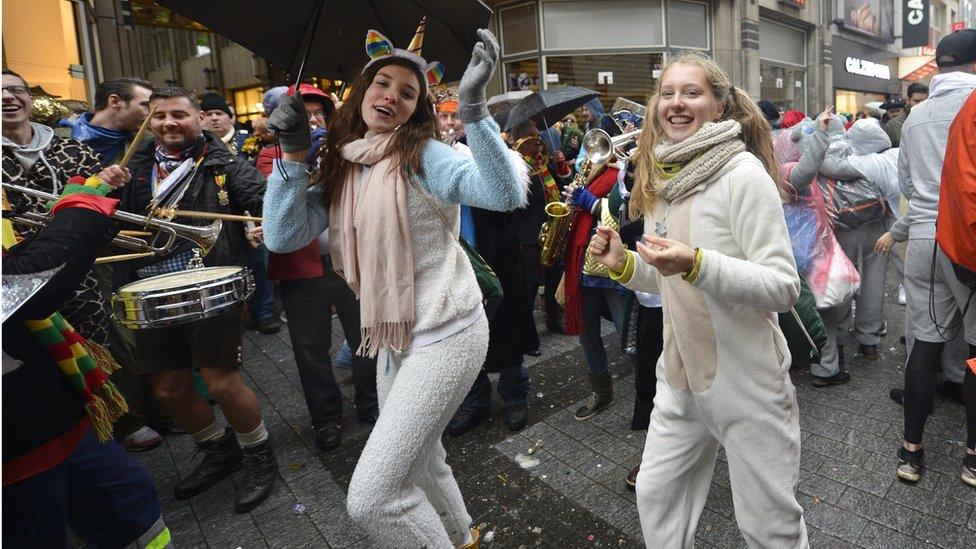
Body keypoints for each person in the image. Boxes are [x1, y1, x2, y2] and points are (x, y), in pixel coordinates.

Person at [263, 25, 524, 547]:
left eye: (409, 93)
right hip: (392, 334)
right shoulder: (345, 159)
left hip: (449, 331)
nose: (392, 97)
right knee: (424, 461)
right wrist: (291, 155)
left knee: (375, 498)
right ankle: (462, 537)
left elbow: (504, 192)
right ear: (363, 91)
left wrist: (474, 108)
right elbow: (283, 234)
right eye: (384, 83)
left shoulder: (426, 155)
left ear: (418, 108)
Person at [587, 51, 807, 546]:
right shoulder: (663, 179)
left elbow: (783, 286)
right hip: (680, 377)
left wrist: (697, 263)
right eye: (667, 93)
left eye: (692, 93)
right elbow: (667, 279)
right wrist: (625, 262)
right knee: (656, 494)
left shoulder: (743, 175)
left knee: (768, 525)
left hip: (747, 382)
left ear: (720, 105)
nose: (677, 103)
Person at [117, 87, 276, 513]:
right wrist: (102, 189)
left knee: (222, 382)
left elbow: (263, 202)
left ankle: (259, 454)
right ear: (150, 122)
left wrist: (260, 224)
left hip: (213, 283)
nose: (170, 123)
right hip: (151, 287)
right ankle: (218, 450)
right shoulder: (133, 165)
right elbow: (105, 216)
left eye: (180, 115)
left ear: (198, 119)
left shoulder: (223, 161)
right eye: (161, 116)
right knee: (168, 390)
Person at [3, 174, 171, 549]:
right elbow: (18, 287)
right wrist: (79, 210)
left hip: (53, 408)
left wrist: (54, 224)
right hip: (14, 443)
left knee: (132, 506)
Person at [255, 91, 378, 453]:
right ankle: (326, 418)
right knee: (310, 350)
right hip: (300, 267)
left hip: (350, 262)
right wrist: (297, 158)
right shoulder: (269, 156)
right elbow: (275, 206)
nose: (312, 122)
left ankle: (371, 402)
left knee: (367, 337)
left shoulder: (345, 151)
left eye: (318, 115)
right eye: (302, 116)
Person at [59, 75, 170, 451]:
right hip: (93, 254)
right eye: (145, 105)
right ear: (115, 102)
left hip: (139, 245)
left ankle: (165, 407)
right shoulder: (69, 144)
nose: (153, 114)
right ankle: (129, 418)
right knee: (111, 333)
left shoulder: (145, 143)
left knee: (148, 326)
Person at [893, 29, 976, 486]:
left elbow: (906, 186)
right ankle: (972, 460)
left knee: (924, 347)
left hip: (925, 237)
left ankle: (912, 454)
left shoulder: (916, 116)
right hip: (969, 242)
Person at [789, 108, 889, 385]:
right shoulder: (863, 153)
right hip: (873, 224)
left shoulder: (810, 150)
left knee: (838, 287)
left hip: (835, 229)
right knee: (873, 284)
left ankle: (841, 339)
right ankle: (869, 340)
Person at [61, 77, 154, 166]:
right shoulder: (56, 138)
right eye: (145, 105)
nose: (151, 113)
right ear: (115, 102)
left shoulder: (147, 143)